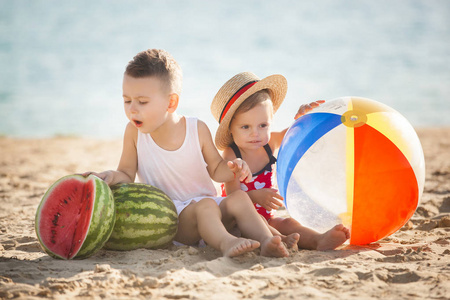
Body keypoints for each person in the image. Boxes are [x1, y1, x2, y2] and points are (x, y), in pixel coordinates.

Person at [83, 49, 290, 258]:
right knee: (205, 206)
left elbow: (217, 170)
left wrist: (234, 168)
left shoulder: (196, 129)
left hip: (211, 209)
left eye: (142, 102)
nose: (132, 110)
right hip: (174, 218)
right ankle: (227, 242)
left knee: (238, 198)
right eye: (127, 100)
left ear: (171, 103)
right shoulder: (134, 133)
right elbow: (126, 174)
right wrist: (110, 176)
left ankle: (267, 241)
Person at [210, 72, 350, 250]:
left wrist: (305, 116)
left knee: (289, 222)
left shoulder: (270, 143)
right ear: (230, 130)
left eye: (263, 125)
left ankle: (318, 240)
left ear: (271, 121)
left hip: (269, 219)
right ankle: (282, 240)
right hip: (239, 222)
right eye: (245, 127)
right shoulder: (231, 155)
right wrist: (255, 196)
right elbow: (232, 197)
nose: (255, 133)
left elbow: (297, 132)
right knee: (261, 221)